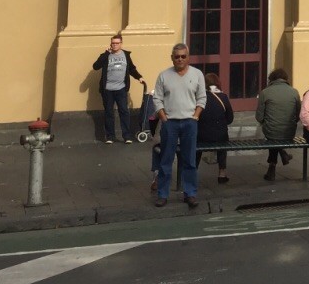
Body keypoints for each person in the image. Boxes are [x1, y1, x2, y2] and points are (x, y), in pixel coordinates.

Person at [151, 42, 205, 208]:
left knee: (189, 160)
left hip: (189, 122)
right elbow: (157, 98)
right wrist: (163, 116)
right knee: (166, 160)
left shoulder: (197, 74)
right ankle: (162, 194)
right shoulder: (164, 75)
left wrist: (195, 116)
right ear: (172, 58)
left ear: (188, 58)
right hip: (170, 123)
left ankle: (190, 194)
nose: (180, 59)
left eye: (183, 56)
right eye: (177, 57)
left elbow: (202, 98)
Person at [92, 33, 146, 144]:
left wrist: (139, 77)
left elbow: (131, 68)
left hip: (121, 88)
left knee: (124, 112)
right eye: (113, 43)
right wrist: (105, 54)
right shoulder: (106, 55)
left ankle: (127, 136)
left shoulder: (126, 55)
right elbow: (96, 66)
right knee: (109, 113)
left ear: (121, 44)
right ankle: (110, 137)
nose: (115, 45)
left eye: (117, 43)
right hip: (107, 89)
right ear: (110, 44)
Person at [256, 68, 301, 181]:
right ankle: (282, 154)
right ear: (285, 79)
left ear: (271, 79)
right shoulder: (294, 92)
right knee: (277, 133)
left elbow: (259, 117)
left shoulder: (265, 92)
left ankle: (272, 166)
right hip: (289, 132)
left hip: (271, 132)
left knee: (273, 133)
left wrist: (266, 123)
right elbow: (298, 114)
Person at [196, 71, 233, 184]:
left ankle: (193, 172)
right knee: (223, 141)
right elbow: (230, 119)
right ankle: (222, 174)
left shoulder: (199, 97)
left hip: (202, 136)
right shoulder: (223, 97)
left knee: (197, 145)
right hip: (219, 135)